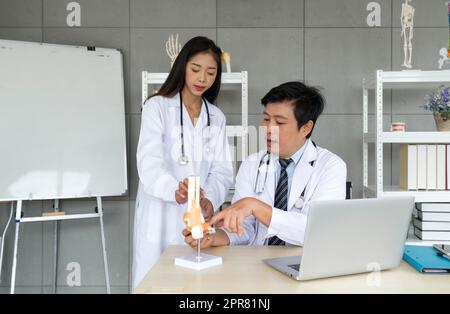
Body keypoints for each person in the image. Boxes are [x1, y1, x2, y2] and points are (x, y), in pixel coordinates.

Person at [183, 81, 346, 248]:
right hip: (259, 263)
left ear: (306, 127)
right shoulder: (252, 165)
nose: (269, 128)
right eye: (266, 119)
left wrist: (256, 207)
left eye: (280, 123)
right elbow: (244, 228)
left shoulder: (330, 167)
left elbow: (318, 231)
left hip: (304, 264)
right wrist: (214, 237)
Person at [133, 36, 233, 288]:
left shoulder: (216, 117)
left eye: (211, 72)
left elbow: (222, 170)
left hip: (197, 216)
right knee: (155, 283)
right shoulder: (156, 107)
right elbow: (149, 160)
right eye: (196, 69)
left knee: (195, 286)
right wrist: (172, 189)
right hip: (159, 213)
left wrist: (209, 199)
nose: (202, 79)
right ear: (182, 67)